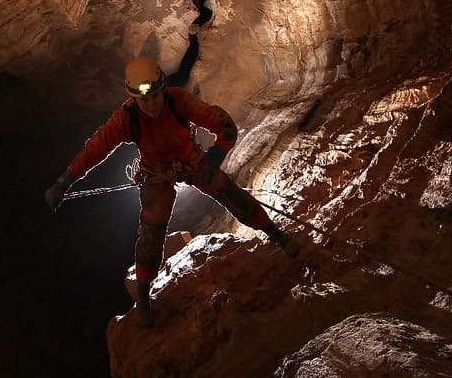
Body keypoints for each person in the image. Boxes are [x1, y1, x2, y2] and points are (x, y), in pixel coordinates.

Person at [44, 56, 299, 327]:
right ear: (134, 99)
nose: (152, 104)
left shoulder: (178, 101)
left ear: (163, 89)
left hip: (191, 161)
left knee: (229, 193)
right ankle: (143, 293)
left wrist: (213, 161)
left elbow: (223, 125)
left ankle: (277, 235)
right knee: (152, 229)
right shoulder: (127, 118)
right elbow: (97, 148)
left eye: (156, 96)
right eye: (145, 100)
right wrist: (64, 181)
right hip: (156, 173)